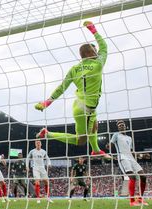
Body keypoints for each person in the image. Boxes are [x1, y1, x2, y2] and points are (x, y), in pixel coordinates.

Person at [34, 21, 110, 159]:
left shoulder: (74, 69)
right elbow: (104, 46)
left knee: (95, 125)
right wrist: (93, 30)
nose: (98, 52)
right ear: (90, 52)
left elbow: (62, 87)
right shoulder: (98, 64)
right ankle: (48, 133)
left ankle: (96, 150)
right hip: (85, 109)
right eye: (95, 50)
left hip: (80, 105)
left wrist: (47, 102)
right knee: (80, 140)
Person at [110, 120, 148, 206]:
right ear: (118, 128)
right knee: (133, 177)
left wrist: (141, 156)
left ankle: (140, 199)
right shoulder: (116, 135)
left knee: (143, 176)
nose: (121, 126)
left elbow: (131, 151)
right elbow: (111, 144)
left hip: (131, 158)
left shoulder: (129, 138)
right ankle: (132, 201)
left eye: (122, 125)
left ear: (125, 126)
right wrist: (109, 147)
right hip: (123, 157)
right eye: (119, 125)